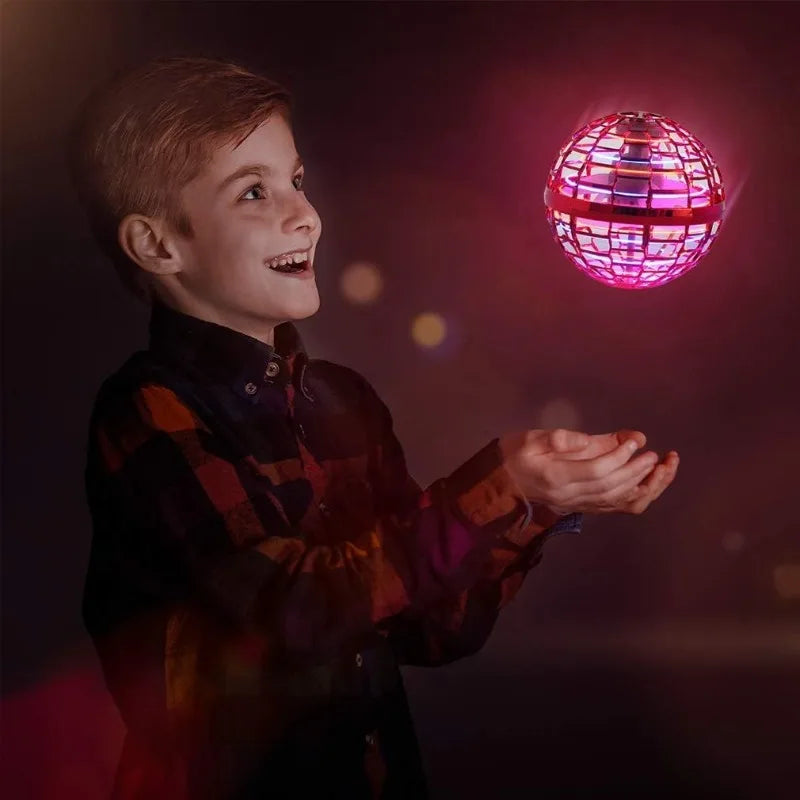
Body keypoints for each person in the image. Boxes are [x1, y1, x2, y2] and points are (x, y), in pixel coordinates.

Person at [67, 55, 679, 800]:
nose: (305, 214)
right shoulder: (149, 410)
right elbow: (287, 609)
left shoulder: (343, 402)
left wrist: (537, 502)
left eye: (295, 179)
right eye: (254, 192)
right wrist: (497, 484)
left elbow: (430, 628)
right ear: (158, 245)